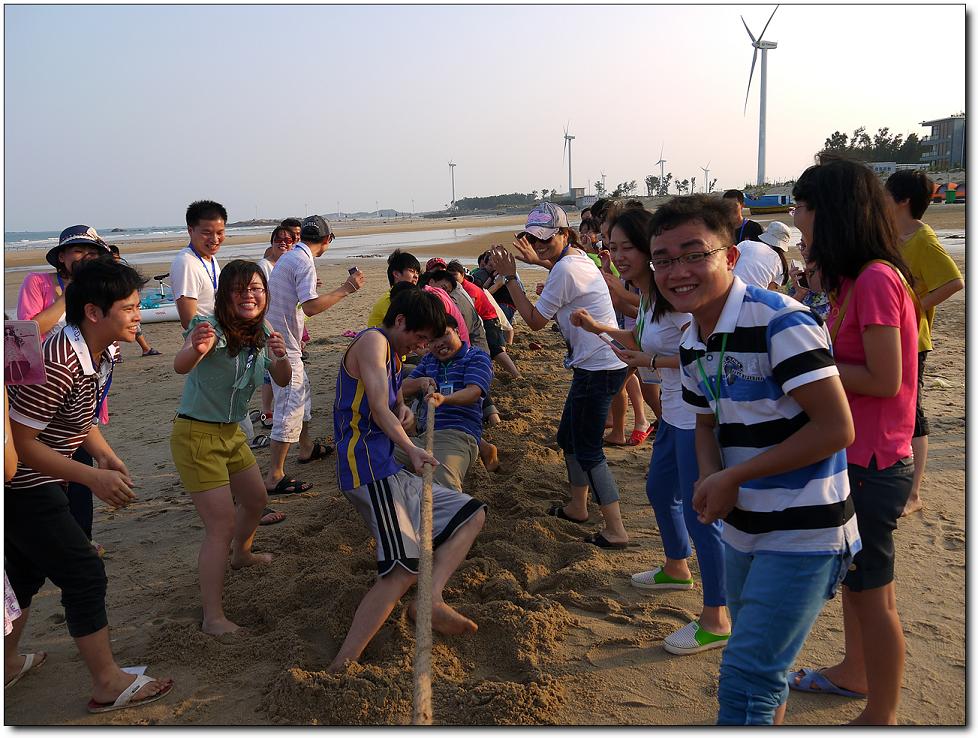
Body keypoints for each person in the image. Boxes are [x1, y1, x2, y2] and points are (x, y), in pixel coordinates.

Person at [649, 195, 859, 725]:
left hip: (805, 529)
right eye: (663, 260)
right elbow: (704, 421)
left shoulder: (780, 321)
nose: (677, 271)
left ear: (731, 256)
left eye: (693, 254)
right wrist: (711, 476)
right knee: (760, 669)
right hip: (744, 529)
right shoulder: (692, 338)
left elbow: (836, 427)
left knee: (745, 679)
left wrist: (735, 475)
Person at [6, 256, 174, 712]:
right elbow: (21, 443)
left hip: (46, 478)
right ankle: (107, 682)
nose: (138, 316)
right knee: (83, 572)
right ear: (94, 312)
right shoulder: (59, 361)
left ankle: (5, 663)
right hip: (23, 486)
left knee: (24, 572)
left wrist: (103, 453)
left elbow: (78, 416)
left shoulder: (102, 348)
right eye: (130, 308)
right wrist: (91, 476)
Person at [788, 157, 918, 725]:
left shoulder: (876, 279)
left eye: (802, 207)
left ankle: (881, 713)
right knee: (857, 582)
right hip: (856, 454)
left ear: (833, 212)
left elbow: (885, 378)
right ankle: (854, 671)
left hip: (872, 459)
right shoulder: (856, 278)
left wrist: (807, 367)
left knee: (874, 594)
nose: (796, 218)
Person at [570, 206, 729, 655]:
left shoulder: (676, 298)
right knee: (660, 490)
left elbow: (704, 354)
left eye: (626, 247)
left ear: (648, 250)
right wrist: (598, 328)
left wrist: (652, 362)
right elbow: (640, 341)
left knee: (702, 514)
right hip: (674, 416)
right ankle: (677, 567)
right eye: (611, 246)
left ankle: (717, 617)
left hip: (696, 417)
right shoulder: (649, 297)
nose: (616, 256)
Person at [328, 289, 486, 671]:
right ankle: (342, 665)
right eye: (420, 337)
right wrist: (411, 447)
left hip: (387, 467)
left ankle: (430, 600)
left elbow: (391, 400)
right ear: (400, 321)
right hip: (367, 469)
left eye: (427, 341)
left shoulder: (394, 355)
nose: (423, 346)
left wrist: (405, 410)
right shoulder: (373, 342)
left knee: (470, 513)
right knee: (402, 569)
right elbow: (378, 406)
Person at [490, 203, 630, 548]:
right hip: (595, 363)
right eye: (533, 239)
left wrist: (511, 277)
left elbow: (535, 321)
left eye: (545, 239)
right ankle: (578, 506)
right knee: (568, 437)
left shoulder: (566, 269)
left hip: (598, 367)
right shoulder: (575, 259)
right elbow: (559, 270)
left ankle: (616, 529)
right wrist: (536, 261)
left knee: (587, 448)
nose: (539, 246)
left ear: (565, 235)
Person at [171, 261, 292, 635]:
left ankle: (242, 555)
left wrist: (281, 356)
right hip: (197, 435)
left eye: (256, 288)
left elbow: (282, 379)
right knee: (220, 525)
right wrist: (197, 349)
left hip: (231, 433)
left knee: (256, 499)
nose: (249, 296)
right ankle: (213, 617)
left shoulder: (263, 330)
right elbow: (180, 365)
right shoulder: (208, 327)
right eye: (239, 290)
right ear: (224, 295)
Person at [16, 225, 112, 551]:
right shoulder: (38, 283)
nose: (85, 257)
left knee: (81, 470)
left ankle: (82, 539)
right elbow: (27, 333)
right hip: (40, 396)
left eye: (92, 252)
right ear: (61, 257)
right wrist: (68, 297)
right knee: (41, 472)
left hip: (81, 396)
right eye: (78, 251)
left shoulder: (99, 290)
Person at [263, 215, 364, 494]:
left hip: (281, 339)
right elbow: (310, 307)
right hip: (282, 345)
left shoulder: (291, 256)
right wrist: (347, 288)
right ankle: (275, 475)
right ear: (327, 240)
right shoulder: (303, 260)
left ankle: (306, 447)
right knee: (290, 404)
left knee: (302, 393)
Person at [884, 170, 964, 516]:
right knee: (895, 410)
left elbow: (953, 282)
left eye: (886, 195)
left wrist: (913, 307)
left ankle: (914, 493)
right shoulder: (892, 236)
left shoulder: (923, 239)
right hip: (891, 336)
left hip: (914, 340)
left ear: (903, 200)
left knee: (912, 413)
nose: (881, 201)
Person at [399, 314, 496, 489]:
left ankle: (481, 448)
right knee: (374, 456)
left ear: (457, 332)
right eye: (432, 340)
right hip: (422, 437)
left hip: (457, 434)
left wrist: (445, 399)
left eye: (444, 335)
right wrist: (419, 382)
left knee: (441, 486)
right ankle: (485, 448)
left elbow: (474, 392)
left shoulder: (476, 357)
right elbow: (401, 388)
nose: (439, 343)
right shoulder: (429, 360)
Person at [369, 250, 470, 346]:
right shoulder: (390, 300)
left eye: (417, 273)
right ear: (396, 274)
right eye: (412, 271)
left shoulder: (423, 295)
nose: (416, 276)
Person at [442, 261, 521, 379]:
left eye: (454, 275)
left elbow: (469, 311)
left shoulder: (468, 288)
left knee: (494, 349)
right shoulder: (459, 287)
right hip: (480, 320)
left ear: (462, 275)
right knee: (490, 349)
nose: (452, 278)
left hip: (488, 319)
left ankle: (515, 373)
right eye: (449, 275)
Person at [257, 226, 297, 429]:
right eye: (278, 240)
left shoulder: (289, 264)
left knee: (280, 365)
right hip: (269, 322)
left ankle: (275, 409)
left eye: (288, 240)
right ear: (271, 243)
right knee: (269, 367)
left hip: (286, 323)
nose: (283, 243)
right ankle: (267, 410)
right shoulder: (265, 266)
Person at [170, 200, 227, 329]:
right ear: (190, 230)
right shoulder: (186, 263)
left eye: (220, 232)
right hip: (206, 337)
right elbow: (189, 322)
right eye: (207, 233)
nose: (215, 239)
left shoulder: (210, 258)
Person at [107, 244, 161, 356]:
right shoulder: (105, 273)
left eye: (116, 258)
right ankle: (116, 353)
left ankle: (145, 349)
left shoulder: (123, 272)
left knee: (134, 326)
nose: (115, 260)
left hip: (126, 304)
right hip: (114, 305)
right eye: (112, 258)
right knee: (113, 327)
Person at [732, 219, 791, 290]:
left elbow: (728, 264)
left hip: (730, 289)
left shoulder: (745, 244)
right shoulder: (782, 265)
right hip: (753, 296)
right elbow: (768, 292)